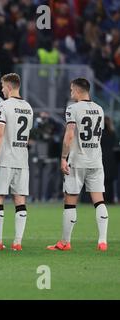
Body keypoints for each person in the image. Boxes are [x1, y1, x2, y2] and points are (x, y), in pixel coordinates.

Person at [47, 78, 109, 251]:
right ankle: (102, 241)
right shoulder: (100, 109)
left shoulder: (73, 108)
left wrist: (63, 157)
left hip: (77, 161)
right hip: (96, 160)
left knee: (70, 201)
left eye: (71, 90)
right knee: (99, 201)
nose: (71, 93)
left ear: (78, 90)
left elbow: (70, 134)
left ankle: (65, 243)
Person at [0, 73, 33, 251]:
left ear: (9, 87)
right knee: (20, 200)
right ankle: (17, 242)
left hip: (4, 159)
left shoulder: (3, 106)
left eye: (3, 86)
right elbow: (26, 138)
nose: (2, 89)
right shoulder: (28, 107)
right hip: (22, 160)